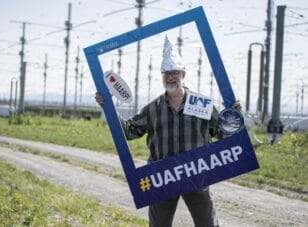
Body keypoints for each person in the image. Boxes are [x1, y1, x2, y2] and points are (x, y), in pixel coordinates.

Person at [95, 35, 241, 227]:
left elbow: (222, 134)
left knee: (208, 224)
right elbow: (130, 131)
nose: (170, 77)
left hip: (197, 176)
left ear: (183, 75)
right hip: (162, 178)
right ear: (162, 76)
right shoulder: (153, 108)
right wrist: (109, 108)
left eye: (174, 73)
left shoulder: (203, 105)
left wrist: (234, 118)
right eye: (166, 73)